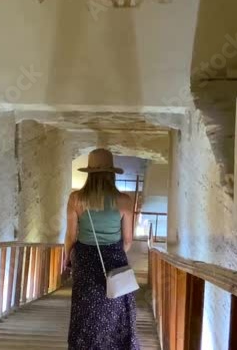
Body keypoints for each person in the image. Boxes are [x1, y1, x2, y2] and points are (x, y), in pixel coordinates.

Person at [64, 148, 140, 350]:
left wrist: (68, 258)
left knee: (85, 310)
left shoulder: (76, 199)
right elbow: (128, 240)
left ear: (89, 172)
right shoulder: (124, 201)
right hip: (114, 259)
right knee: (115, 307)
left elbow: (71, 236)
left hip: (85, 260)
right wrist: (114, 254)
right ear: (111, 173)